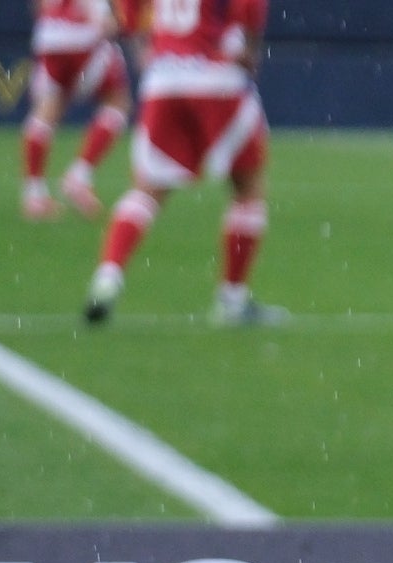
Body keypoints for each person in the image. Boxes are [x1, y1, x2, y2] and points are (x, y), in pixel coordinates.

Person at [83, 0, 281, 327]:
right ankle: (231, 301)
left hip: (164, 79)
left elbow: (128, 9)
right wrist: (251, 47)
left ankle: (107, 277)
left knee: (146, 192)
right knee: (248, 189)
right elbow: (249, 7)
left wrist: (143, 45)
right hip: (217, 76)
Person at [20, 0, 129, 222]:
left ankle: (34, 194)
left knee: (47, 110)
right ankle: (79, 176)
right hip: (83, 33)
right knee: (117, 102)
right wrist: (108, 21)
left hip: (49, 35)